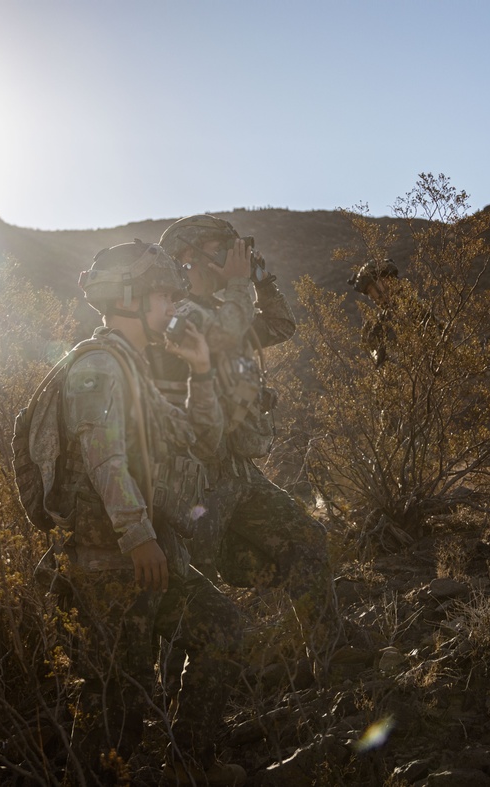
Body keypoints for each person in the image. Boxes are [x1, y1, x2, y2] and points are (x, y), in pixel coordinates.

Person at [54, 240, 246, 786]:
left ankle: (190, 767)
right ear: (129, 297)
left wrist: (201, 372)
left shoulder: (134, 368)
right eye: (164, 295)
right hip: (114, 566)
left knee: (226, 628)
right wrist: (137, 535)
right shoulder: (98, 366)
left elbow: (200, 442)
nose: (172, 307)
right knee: (117, 712)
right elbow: (102, 456)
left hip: (151, 558)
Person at [149, 215, 328, 615]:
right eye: (220, 249)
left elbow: (281, 326)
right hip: (194, 478)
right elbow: (225, 332)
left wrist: (261, 281)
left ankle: (329, 655)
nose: (231, 257)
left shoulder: (229, 307)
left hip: (236, 469)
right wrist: (240, 283)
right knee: (193, 591)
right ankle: (222, 665)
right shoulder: (176, 314)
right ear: (186, 256)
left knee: (307, 542)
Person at [348, 258, 400, 367]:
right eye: (370, 294)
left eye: (373, 290)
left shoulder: (412, 307)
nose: (373, 298)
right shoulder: (375, 325)